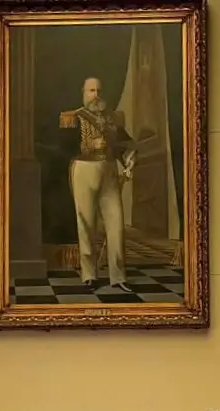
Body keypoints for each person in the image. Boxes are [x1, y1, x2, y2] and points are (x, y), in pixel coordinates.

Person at [60, 76, 135, 291]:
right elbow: (61, 150)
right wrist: (88, 147)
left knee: (116, 226)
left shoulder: (112, 120)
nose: (96, 95)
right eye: (91, 90)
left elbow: (126, 145)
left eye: (99, 90)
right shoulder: (73, 118)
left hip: (109, 172)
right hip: (84, 170)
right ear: (83, 93)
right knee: (86, 225)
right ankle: (89, 276)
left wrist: (129, 161)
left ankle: (118, 277)